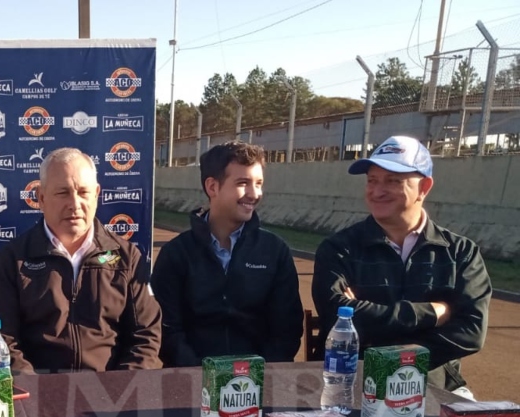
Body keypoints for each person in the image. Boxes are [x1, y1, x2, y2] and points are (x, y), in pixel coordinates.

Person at [312, 135, 491, 394]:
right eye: (372, 180)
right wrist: (431, 314)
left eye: (393, 181)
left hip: (433, 386)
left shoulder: (460, 253)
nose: (377, 191)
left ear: (424, 187)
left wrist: (391, 356)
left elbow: (470, 331)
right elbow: (337, 316)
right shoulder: (339, 248)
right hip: (355, 384)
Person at [0, 147, 161, 373]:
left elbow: (145, 337)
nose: (75, 204)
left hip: (111, 388)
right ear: (41, 197)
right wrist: (33, 389)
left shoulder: (127, 258)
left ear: (96, 194)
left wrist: (120, 388)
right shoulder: (10, 260)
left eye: (83, 192)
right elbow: (3, 340)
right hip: (37, 389)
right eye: (63, 193)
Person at [151, 141, 303, 367]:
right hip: (191, 379)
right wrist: (202, 374)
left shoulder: (275, 251)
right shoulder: (176, 254)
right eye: (243, 183)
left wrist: (256, 375)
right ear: (212, 187)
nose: (254, 194)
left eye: (259, 184)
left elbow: (287, 330)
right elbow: (167, 330)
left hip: (259, 379)